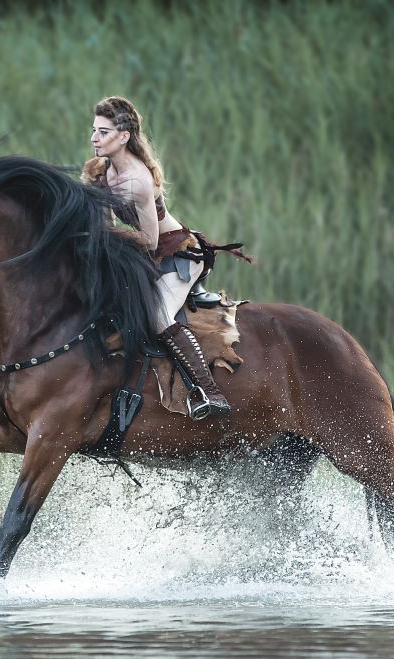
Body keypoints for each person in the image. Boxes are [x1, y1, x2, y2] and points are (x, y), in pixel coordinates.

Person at [84, 96, 231, 420]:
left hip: (177, 252)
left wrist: (113, 246)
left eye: (103, 132)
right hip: (144, 251)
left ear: (123, 137)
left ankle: (209, 392)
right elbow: (106, 225)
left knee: (160, 315)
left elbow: (151, 242)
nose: (94, 138)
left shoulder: (138, 181)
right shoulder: (101, 171)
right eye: (94, 130)